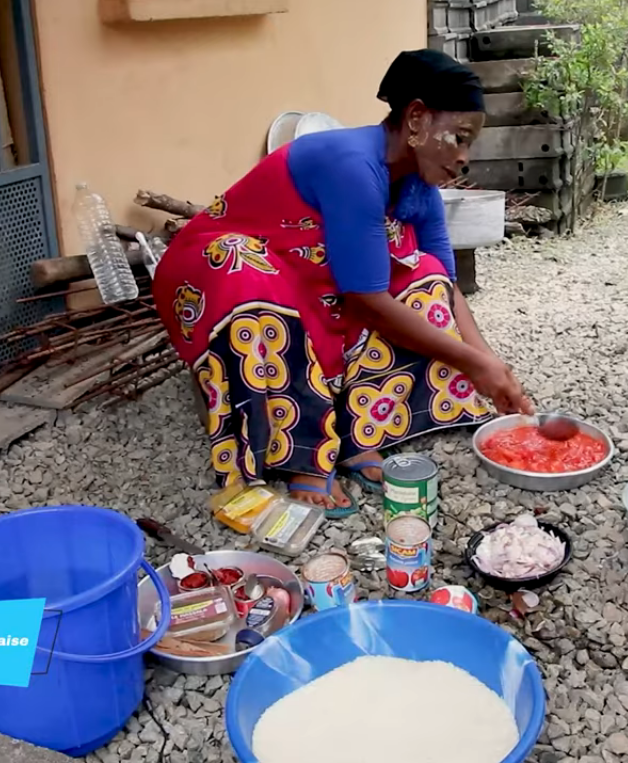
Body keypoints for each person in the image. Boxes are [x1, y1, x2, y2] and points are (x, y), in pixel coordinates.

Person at [152, 49, 533, 516]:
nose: (464, 157)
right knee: (251, 281)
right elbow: (367, 299)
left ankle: (360, 428)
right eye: (458, 138)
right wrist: (473, 365)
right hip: (222, 268)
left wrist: (491, 367)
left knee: (424, 280)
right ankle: (301, 453)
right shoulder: (353, 165)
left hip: (311, 276)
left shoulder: (419, 187)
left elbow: (446, 288)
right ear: (415, 119)